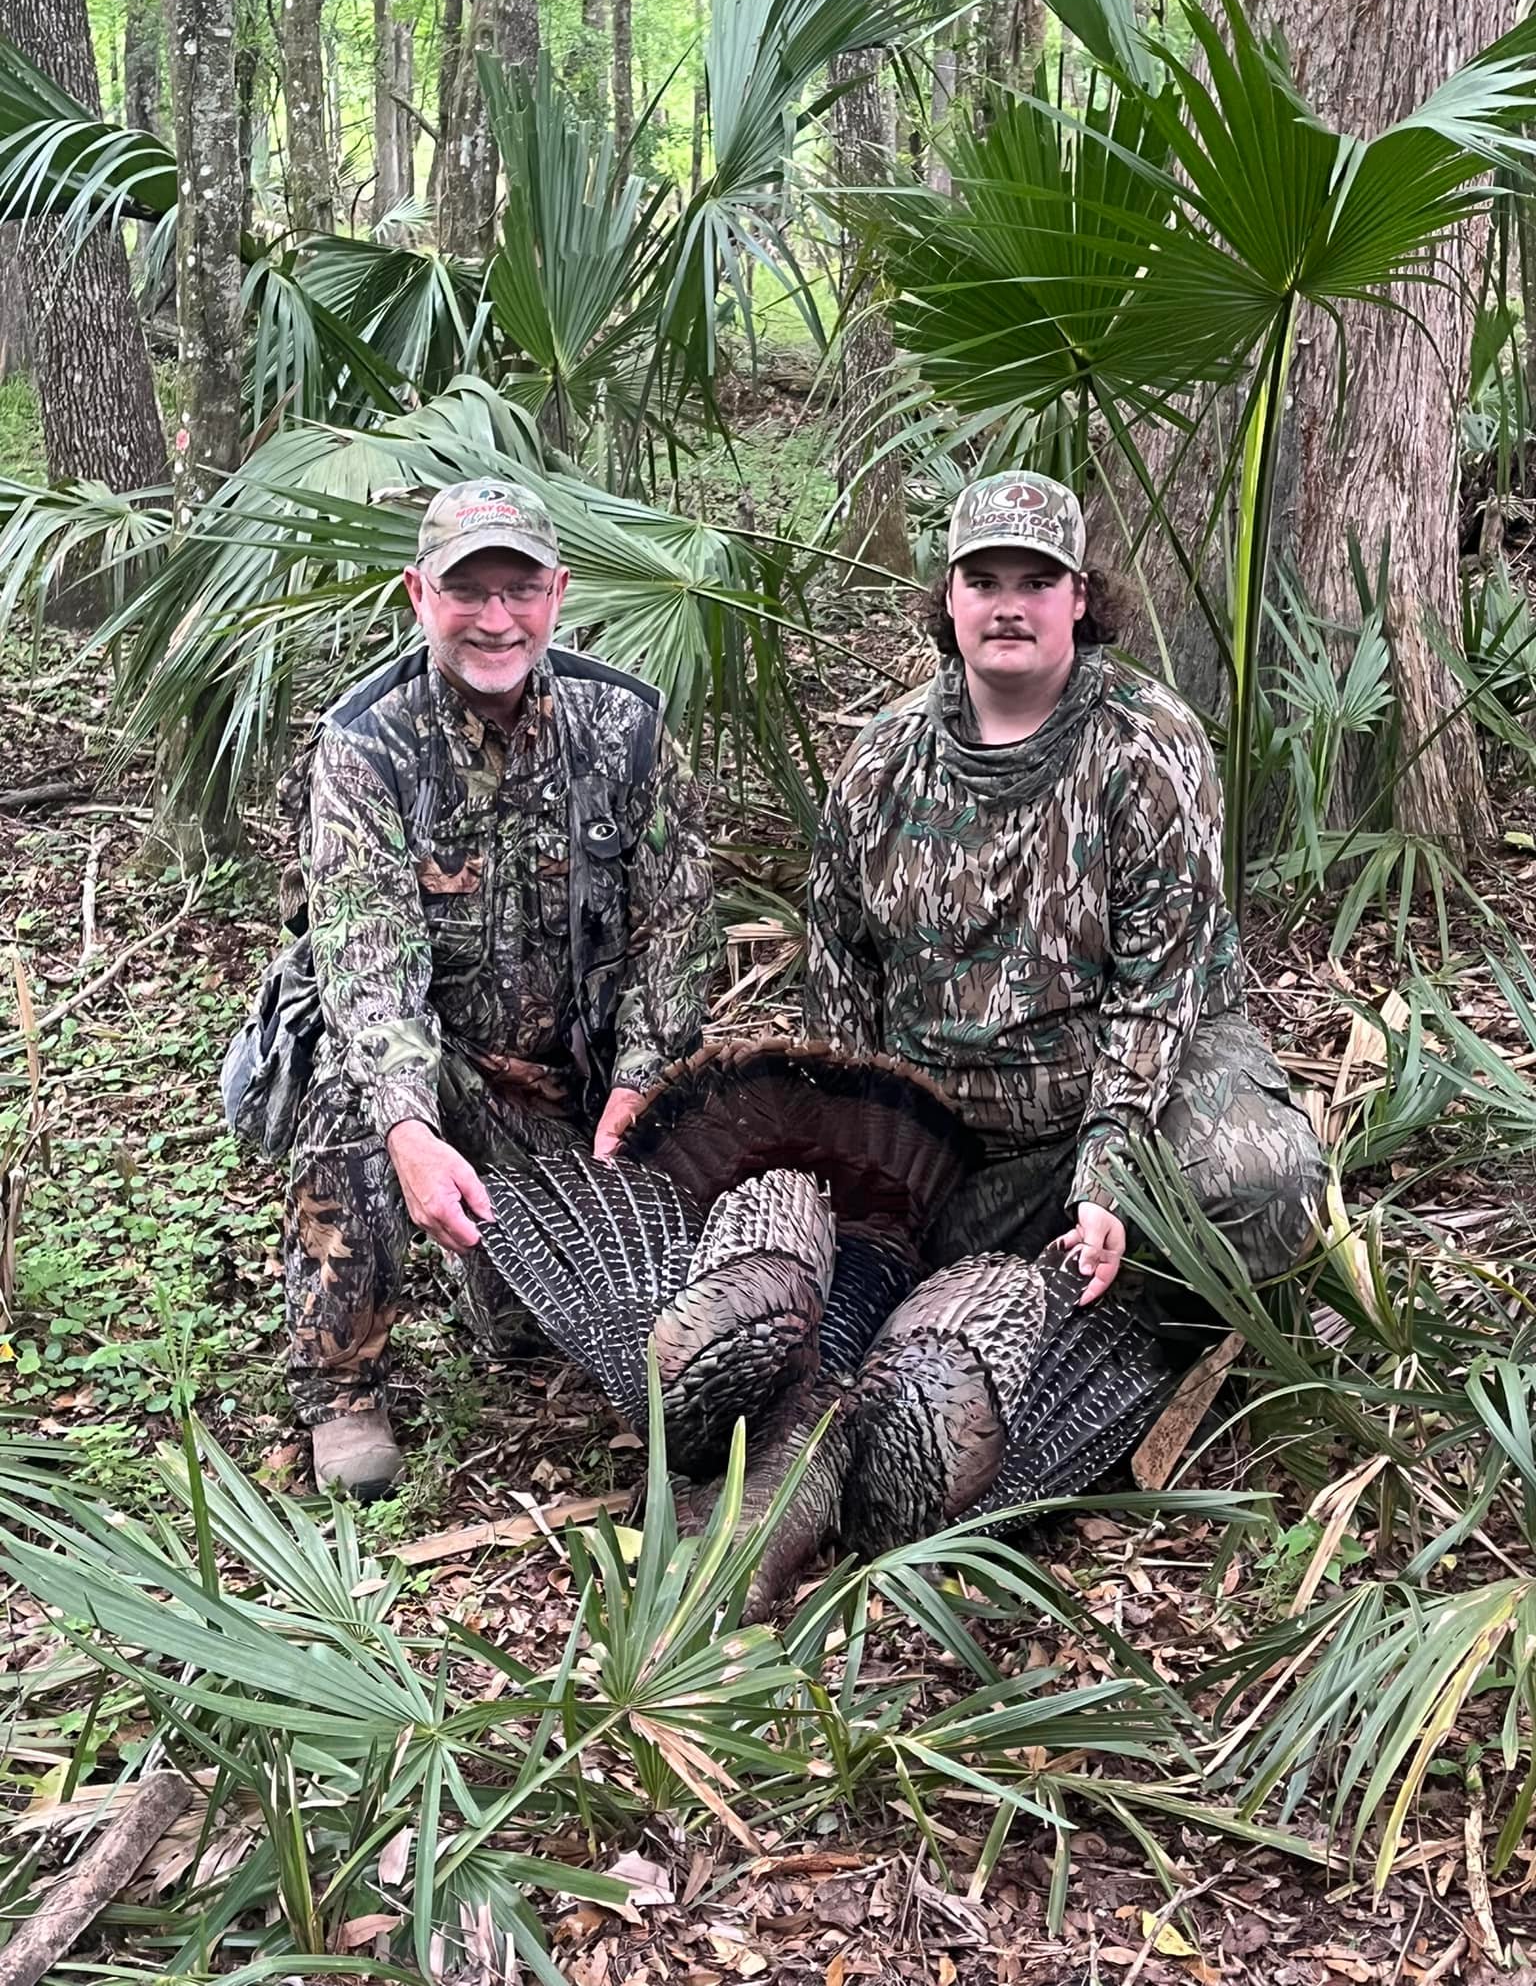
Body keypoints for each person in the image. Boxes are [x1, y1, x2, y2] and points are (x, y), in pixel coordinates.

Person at [231, 478, 717, 1496]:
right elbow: (369, 966)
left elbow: (678, 928)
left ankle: (498, 1274)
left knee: (546, 1332)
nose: (496, 618)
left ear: (557, 592)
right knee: (348, 1079)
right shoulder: (367, 744)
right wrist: (411, 1129)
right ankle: (341, 1387)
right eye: (467, 590)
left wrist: (641, 1082)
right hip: (440, 1070)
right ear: (420, 594)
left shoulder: (626, 726)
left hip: (580, 1091)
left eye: (520, 588)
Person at [804, 469, 1322, 1324]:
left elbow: (1160, 988)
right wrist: (857, 1161)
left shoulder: (1147, 743)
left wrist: (1106, 1169)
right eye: (984, 582)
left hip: (1127, 1091)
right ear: (950, 598)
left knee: (1258, 1184)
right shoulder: (882, 760)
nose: (1009, 606)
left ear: (1080, 598)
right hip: (948, 1129)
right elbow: (840, 974)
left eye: (1037, 583)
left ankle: (1138, 1323)